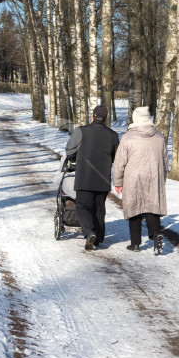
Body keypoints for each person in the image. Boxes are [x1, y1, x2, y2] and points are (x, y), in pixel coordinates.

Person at [112, 106, 168, 254]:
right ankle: (156, 235)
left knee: (134, 209)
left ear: (135, 119)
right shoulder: (159, 137)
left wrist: (117, 181)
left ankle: (135, 244)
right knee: (152, 208)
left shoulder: (128, 137)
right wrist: (162, 178)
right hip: (154, 176)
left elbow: (119, 162)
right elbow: (165, 160)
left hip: (133, 178)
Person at [65, 105, 119, 251]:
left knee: (83, 206)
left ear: (92, 116)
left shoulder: (81, 131)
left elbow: (70, 151)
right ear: (106, 119)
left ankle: (90, 233)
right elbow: (116, 157)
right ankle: (99, 237)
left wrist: (74, 158)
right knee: (99, 209)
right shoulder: (113, 135)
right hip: (103, 179)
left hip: (85, 178)